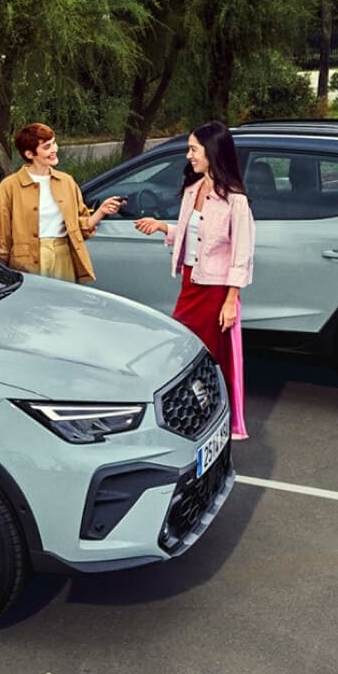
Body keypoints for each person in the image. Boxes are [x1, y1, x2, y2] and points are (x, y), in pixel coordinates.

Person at [134, 120, 255, 439]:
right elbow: (194, 236)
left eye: (193, 149)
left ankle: (217, 420)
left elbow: (241, 254)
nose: (188, 156)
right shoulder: (192, 189)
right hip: (190, 284)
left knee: (207, 359)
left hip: (215, 292)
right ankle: (191, 415)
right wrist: (162, 227)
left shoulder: (235, 201)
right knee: (184, 354)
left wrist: (231, 301)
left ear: (212, 152)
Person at [0, 123, 124, 284]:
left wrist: (101, 211)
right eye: (47, 147)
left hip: (63, 257)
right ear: (29, 153)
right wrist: (1, 268)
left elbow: (79, 227)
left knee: (64, 304)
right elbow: (1, 233)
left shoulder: (66, 181)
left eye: (54, 143)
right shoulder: (9, 186)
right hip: (27, 262)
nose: (54, 149)